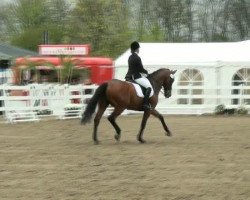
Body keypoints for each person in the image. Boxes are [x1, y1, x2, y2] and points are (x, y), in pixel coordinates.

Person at [125, 41, 153, 110]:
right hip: (136, 77)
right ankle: (146, 104)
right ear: (137, 49)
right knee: (149, 87)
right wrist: (147, 72)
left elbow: (134, 68)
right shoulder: (137, 57)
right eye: (138, 48)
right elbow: (140, 69)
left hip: (128, 76)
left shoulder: (130, 57)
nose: (139, 50)